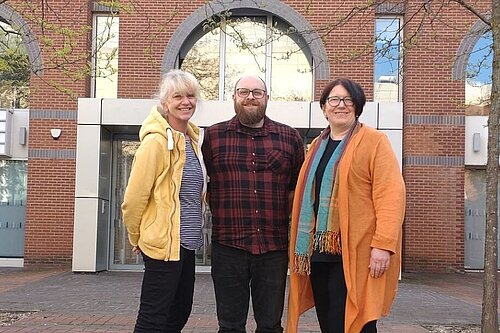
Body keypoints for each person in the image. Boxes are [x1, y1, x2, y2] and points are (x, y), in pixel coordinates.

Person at [286, 78, 406, 333]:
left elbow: (391, 195)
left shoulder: (375, 141)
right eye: (334, 100)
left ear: (357, 106)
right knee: (329, 322)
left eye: (348, 100)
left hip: (358, 252)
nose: (341, 105)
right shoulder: (316, 147)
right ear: (324, 107)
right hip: (319, 253)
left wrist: (383, 245)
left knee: (357, 321)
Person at [202, 75, 305, 333]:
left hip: (273, 248)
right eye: (244, 92)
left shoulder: (289, 138)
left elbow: (297, 190)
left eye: (257, 92)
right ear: (234, 97)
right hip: (228, 246)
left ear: (267, 98)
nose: (250, 97)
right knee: (229, 326)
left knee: (270, 326)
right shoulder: (212, 137)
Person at [121, 69, 207, 333]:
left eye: (190, 96)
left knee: (179, 312)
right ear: (165, 102)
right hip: (163, 245)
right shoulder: (155, 143)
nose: (185, 102)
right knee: (153, 318)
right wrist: (137, 237)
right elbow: (134, 198)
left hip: (186, 244)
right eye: (177, 96)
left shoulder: (192, 141)